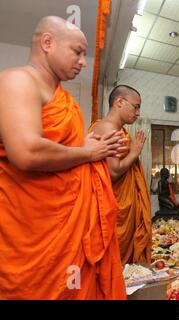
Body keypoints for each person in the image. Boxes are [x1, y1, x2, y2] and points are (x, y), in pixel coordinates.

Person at [0, 16, 127, 299]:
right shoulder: (17, 80)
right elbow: (27, 152)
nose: (83, 61)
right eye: (78, 51)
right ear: (48, 43)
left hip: (70, 234)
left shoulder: (63, 99)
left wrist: (91, 144)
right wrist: (87, 152)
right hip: (31, 237)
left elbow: (59, 147)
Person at [90, 85, 152, 266]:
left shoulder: (112, 128)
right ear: (119, 102)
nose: (138, 112)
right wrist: (134, 153)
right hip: (115, 208)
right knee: (115, 263)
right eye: (136, 106)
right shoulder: (109, 128)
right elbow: (113, 172)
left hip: (123, 205)